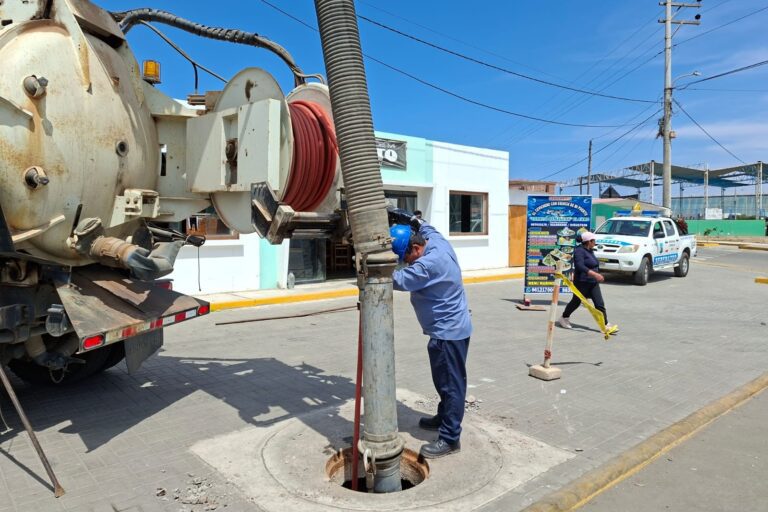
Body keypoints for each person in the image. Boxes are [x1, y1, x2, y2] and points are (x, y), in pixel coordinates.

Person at [388, 208, 471, 459]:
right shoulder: (436, 243)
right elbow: (426, 226)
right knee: (445, 381)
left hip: (448, 333)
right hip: (453, 328)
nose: (407, 262)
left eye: (405, 258)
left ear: (415, 249)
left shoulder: (427, 265)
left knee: (451, 384)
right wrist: (410, 219)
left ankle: (450, 438)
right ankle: (444, 416)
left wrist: (367, 265)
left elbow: (396, 280)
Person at [558, 232, 617, 332]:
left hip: (593, 283)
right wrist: (595, 274)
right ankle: (564, 318)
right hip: (582, 282)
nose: (595, 242)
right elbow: (580, 266)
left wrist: (597, 274)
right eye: (594, 241)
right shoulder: (579, 251)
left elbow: (594, 264)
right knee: (576, 302)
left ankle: (605, 325)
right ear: (589, 242)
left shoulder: (590, 251)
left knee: (599, 304)